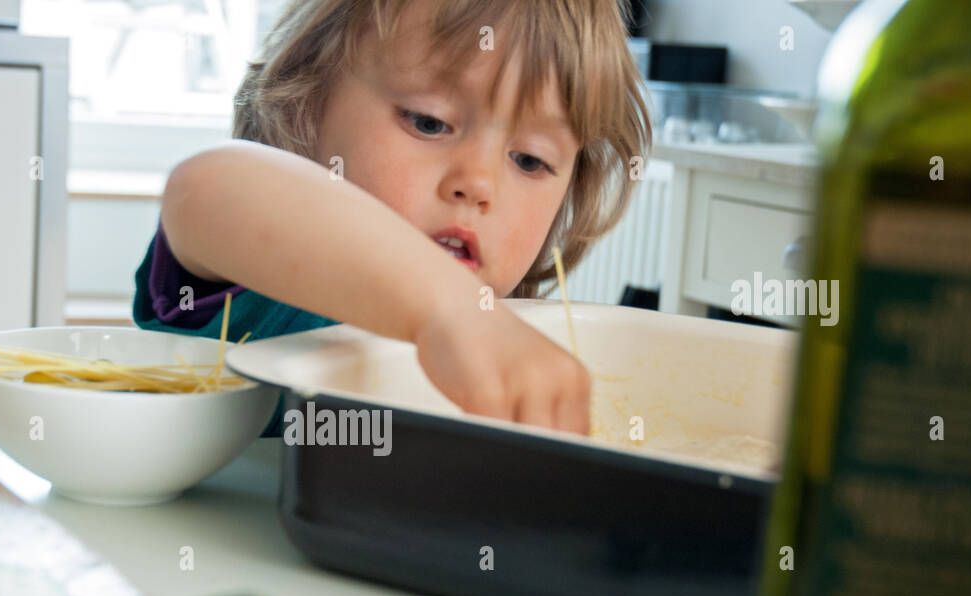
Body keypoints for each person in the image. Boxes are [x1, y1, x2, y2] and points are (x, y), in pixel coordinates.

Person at [132, 0, 651, 437]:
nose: (478, 183)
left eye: (530, 160)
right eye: (430, 122)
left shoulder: (514, 346)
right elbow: (204, 186)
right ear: (303, 109)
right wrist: (449, 309)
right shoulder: (266, 268)